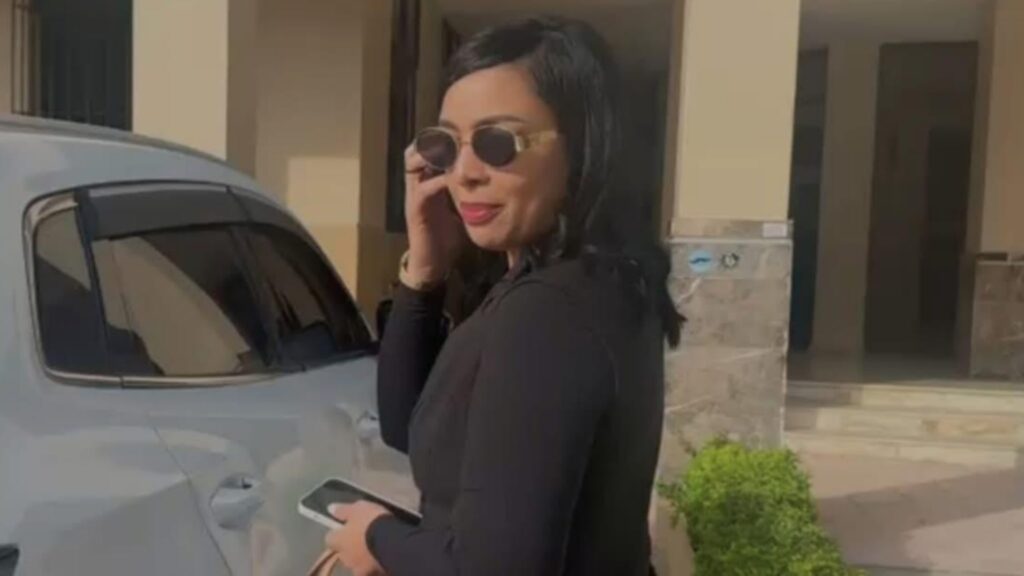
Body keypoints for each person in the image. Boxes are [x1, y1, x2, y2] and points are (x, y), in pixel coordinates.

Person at [325, 16, 683, 576]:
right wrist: (424, 270)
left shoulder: (550, 313)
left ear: (581, 149)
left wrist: (377, 537)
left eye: (498, 143)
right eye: (446, 146)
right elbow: (409, 425)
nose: (464, 173)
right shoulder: (592, 283)